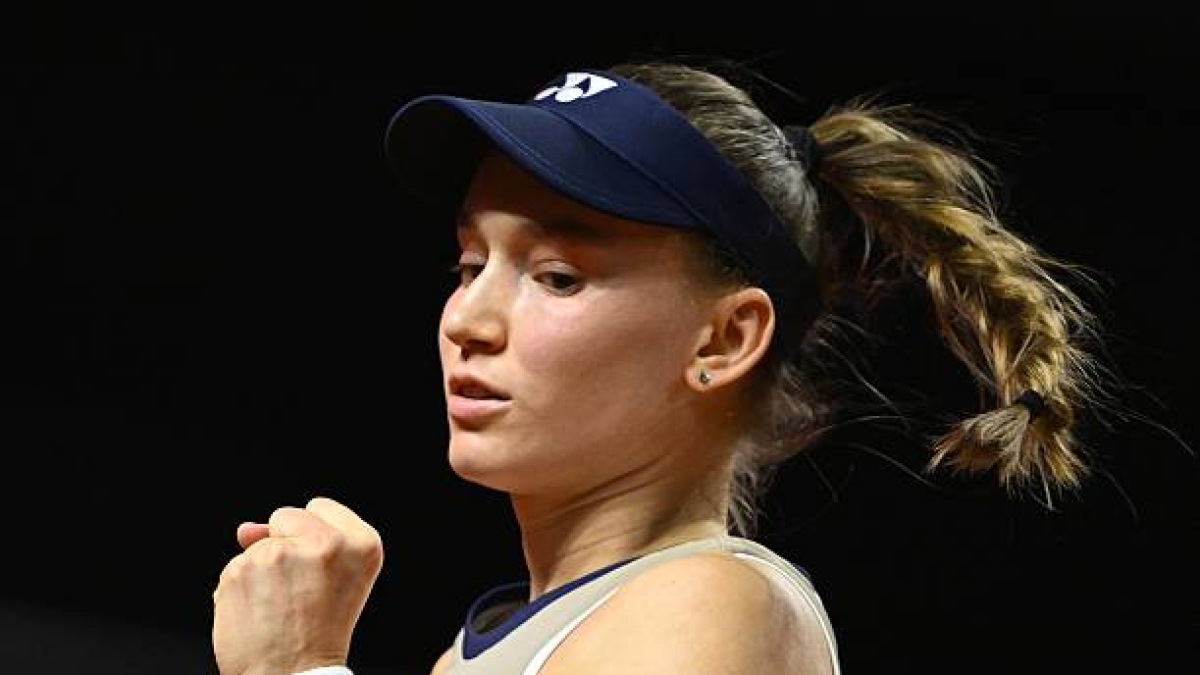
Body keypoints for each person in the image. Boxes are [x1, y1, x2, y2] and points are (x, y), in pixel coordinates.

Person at [210, 58, 1115, 675]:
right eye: (468, 264)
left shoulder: (712, 603)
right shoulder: (484, 649)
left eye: (557, 275)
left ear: (723, 340)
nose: (468, 320)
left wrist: (297, 668)